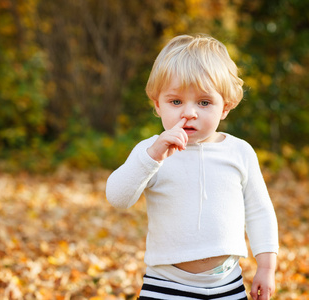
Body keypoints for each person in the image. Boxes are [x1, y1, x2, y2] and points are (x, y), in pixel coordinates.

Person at [106, 34, 279, 300]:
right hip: (166, 285)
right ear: (158, 104)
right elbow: (117, 197)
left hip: (227, 284)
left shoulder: (239, 152)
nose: (189, 113)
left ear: (225, 107)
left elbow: (259, 211)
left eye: (204, 102)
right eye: (176, 102)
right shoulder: (152, 151)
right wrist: (153, 156)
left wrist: (266, 267)